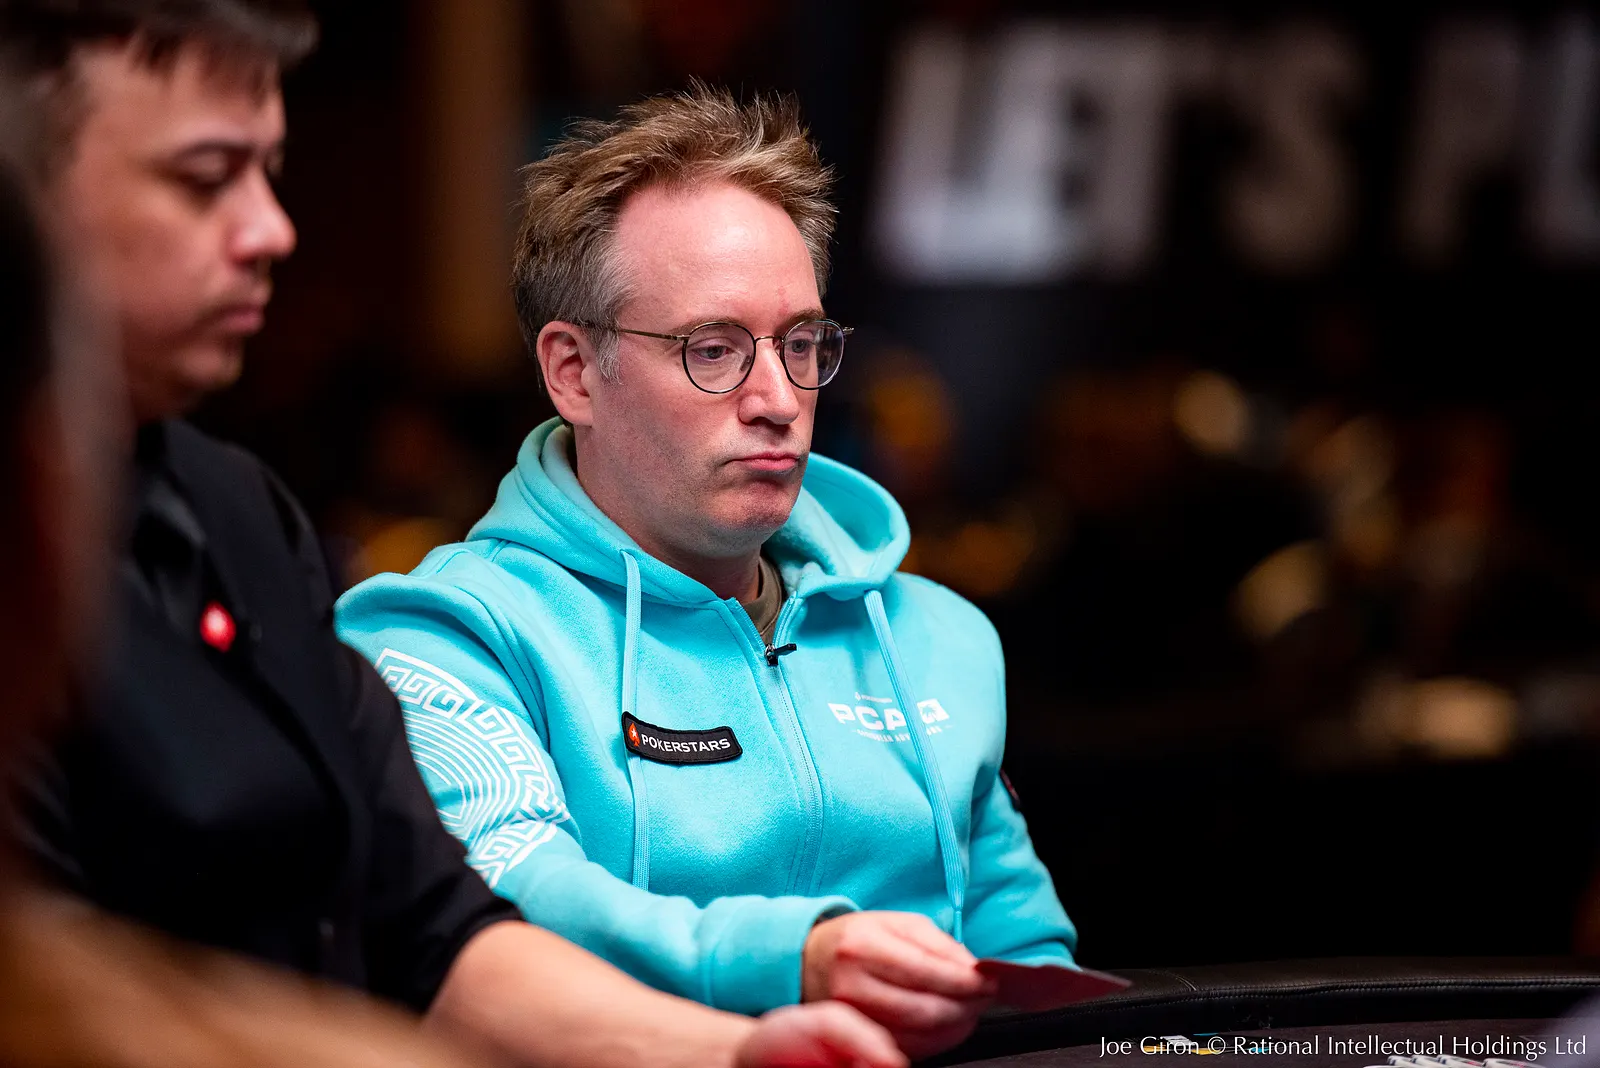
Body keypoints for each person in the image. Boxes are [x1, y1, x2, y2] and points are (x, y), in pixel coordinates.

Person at [0, 4, 903, 1066]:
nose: (273, 229)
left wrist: (733, 1055)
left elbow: (436, 934)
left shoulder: (240, 509)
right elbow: (49, 997)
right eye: (206, 178)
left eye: (269, 172)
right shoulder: (447, 623)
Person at [335, 84, 1079, 1058]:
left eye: (801, 344)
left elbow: (1034, 977)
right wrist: (795, 958)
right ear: (573, 372)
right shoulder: (441, 636)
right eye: (714, 349)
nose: (779, 399)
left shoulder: (938, 638)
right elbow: (505, 901)